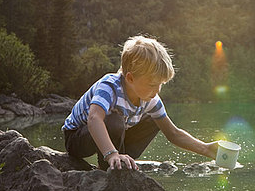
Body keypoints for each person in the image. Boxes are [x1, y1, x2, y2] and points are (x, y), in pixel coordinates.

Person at [63, 35, 219, 170]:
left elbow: (173, 133)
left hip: (116, 138)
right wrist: (111, 154)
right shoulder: (109, 86)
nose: (157, 90)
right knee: (114, 121)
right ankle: (110, 166)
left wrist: (206, 149)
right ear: (130, 78)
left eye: (161, 84)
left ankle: (123, 160)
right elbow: (94, 119)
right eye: (152, 85)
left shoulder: (151, 100)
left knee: (154, 120)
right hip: (77, 138)